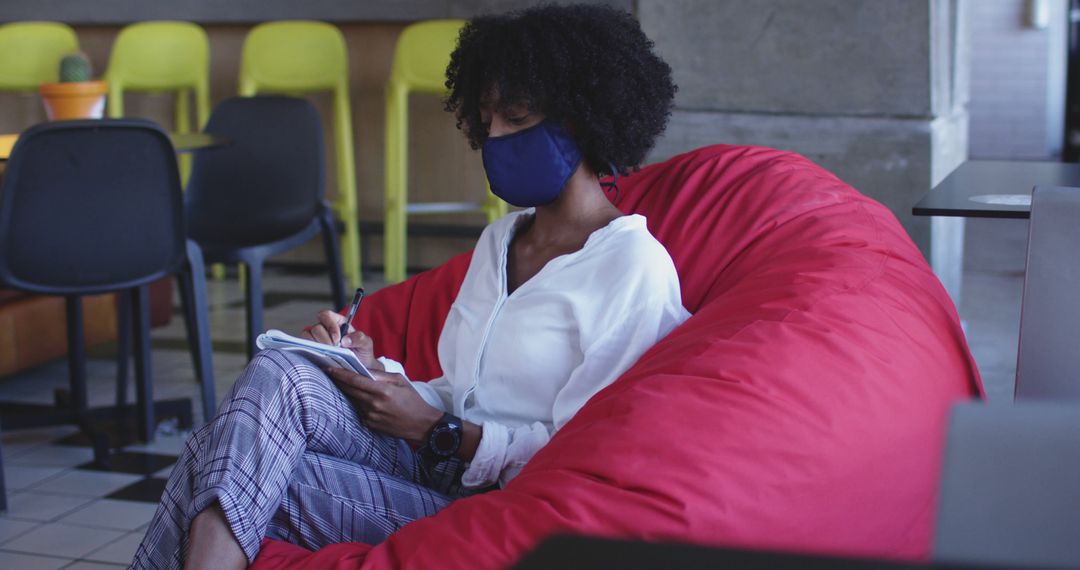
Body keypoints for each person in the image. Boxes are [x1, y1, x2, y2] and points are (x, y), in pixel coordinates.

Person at [131, 4, 688, 568]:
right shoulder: (501, 242)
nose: (493, 137)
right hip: (436, 459)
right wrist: (372, 371)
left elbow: (584, 459)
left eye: (515, 117)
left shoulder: (632, 268)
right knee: (282, 373)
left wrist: (441, 431)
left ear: (584, 119)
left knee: (219, 457)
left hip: (503, 506)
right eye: (487, 117)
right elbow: (460, 390)